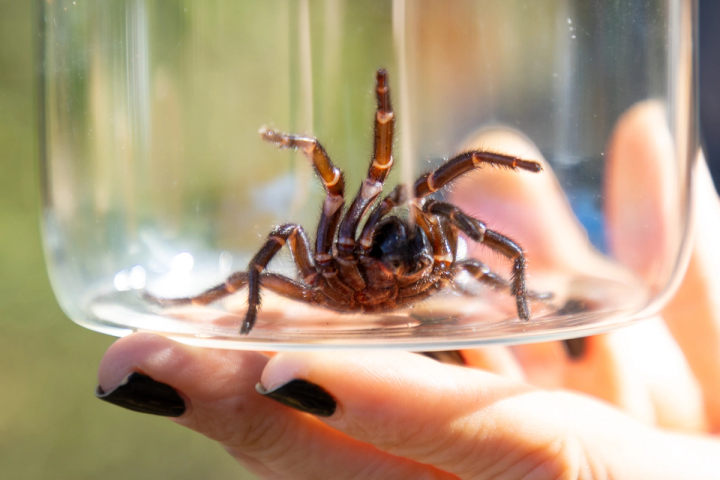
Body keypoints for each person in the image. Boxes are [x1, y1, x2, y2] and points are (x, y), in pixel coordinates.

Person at [95, 102, 720, 479]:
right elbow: (330, 187)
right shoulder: (336, 257)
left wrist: (523, 303)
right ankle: (185, 306)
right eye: (397, 255)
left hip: (403, 298)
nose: (407, 259)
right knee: (305, 225)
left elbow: (473, 249)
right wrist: (254, 307)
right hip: (330, 287)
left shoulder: (436, 261)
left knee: (443, 221)